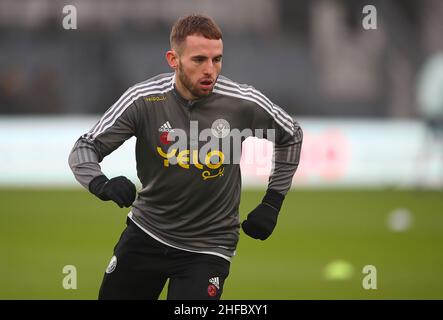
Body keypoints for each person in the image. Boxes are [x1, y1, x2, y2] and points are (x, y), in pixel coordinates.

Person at [68, 14, 303, 300]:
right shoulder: (144, 100)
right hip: (147, 234)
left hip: (209, 248)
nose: (210, 70)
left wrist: (272, 203)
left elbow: (291, 135)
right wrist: (100, 184)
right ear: (173, 59)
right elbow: (85, 147)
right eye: (199, 60)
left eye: (217, 59)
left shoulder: (242, 102)